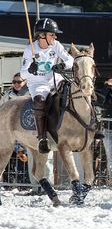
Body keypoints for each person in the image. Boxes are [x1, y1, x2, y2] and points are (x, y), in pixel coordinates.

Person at [20, 18, 74, 153]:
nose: (55, 37)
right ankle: (42, 138)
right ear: (42, 35)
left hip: (55, 79)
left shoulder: (56, 45)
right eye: (52, 34)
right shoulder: (30, 49)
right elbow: (23, 75)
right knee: (39, 101)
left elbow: (70, 60)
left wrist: (63, 65)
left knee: (76, 89)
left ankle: (88, 126)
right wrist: (30, 70)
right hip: (38, 84)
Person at [1, 73, 31, 190]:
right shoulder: (7, 94)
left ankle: (24, 184)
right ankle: (8, 184)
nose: (16, 84)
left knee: (23, 157)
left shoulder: (30, 93)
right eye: (14, 82)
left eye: (19, 82)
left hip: (24, 126)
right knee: (8, 156)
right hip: (9, 127)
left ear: (25, 82)